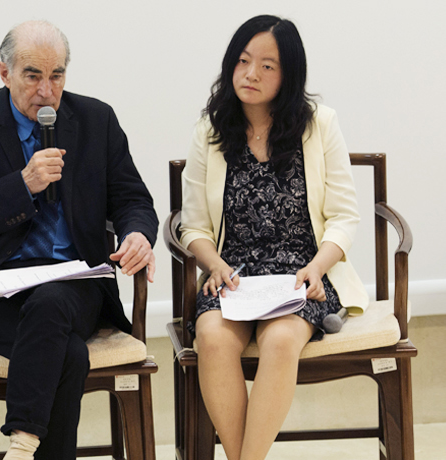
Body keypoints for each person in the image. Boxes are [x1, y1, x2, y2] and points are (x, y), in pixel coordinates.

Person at [0, 20, 159, 460]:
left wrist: (137, 233)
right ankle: (27, 446)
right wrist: (21, 186)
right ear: (4, 72)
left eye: (57, 75)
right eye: (33, 75)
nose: (46, 91)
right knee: (68, 354)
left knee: (52, 301)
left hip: (76, 283)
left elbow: (132, 198)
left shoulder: (96, 121)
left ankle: (21, 445)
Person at [179, 15, 369, 460]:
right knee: (211, 338)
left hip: (301, 274)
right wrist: (215, 265)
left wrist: (318, 268)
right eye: (243, 61)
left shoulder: (319, 124)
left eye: (268, 66)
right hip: (233, 276)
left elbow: (344, 217)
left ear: (289, 75)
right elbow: (194, 227)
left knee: (281, 340)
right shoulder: (210, 131)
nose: (251, 74)